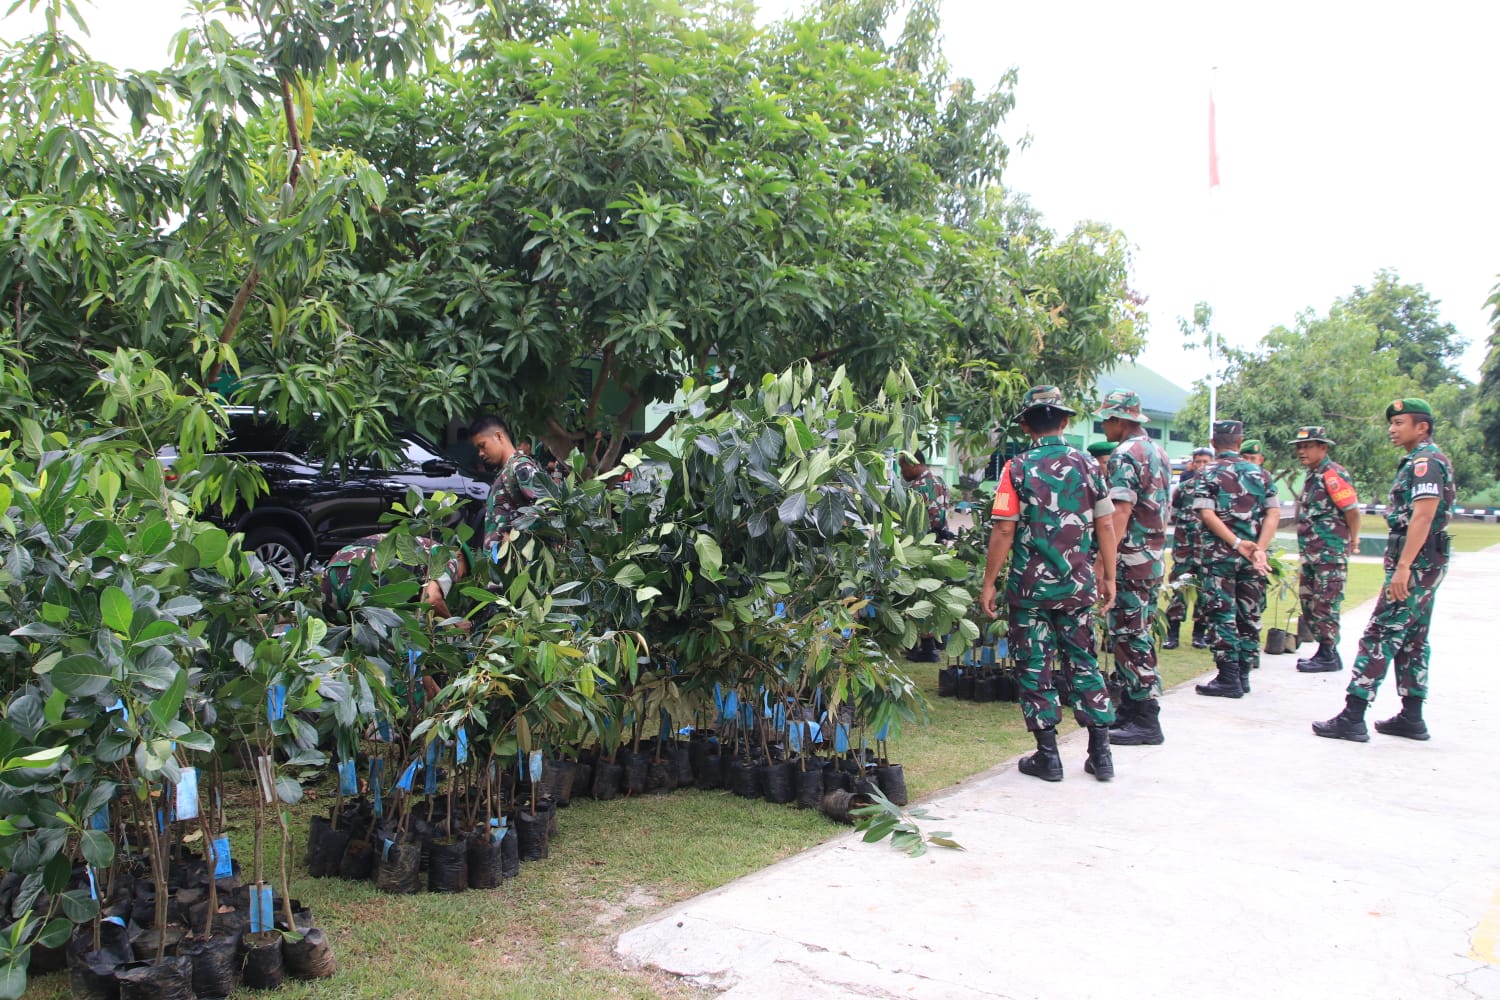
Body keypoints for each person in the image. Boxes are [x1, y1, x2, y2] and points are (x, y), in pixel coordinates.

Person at [979, 386, 1118, 783]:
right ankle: (1101, 754)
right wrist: (1108, 575)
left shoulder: (1016, 468)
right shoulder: (1090, 465)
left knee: (1034, 665)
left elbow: (1005, 528)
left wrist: (989, 582)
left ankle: (1048, 757)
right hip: (1077, 587)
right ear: (1065, 421)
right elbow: (1105, 522)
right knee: (1084, 662)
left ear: (1026, 426)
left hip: (1029, 589)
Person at [1313, 399, 1453, 743]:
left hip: (1417, 562)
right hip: (1426, 560)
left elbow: (1423, 515)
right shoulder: (1422, 460)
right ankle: (1412, 716)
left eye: (1400, 423)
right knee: (1413, 639)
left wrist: (1404, 566)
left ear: (1422, 427)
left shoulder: (1425, 463)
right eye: (1391, 423)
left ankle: (1353, 715)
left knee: (1380, 633)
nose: (1392, 429)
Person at [1093, 390, 1172, 746]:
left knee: (1131, 635)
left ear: (1122, 420)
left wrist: (1104, 562)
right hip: (1151, 557)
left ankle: (1145, 717)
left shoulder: (1126, 454)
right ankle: (1130, 707)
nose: (1103, 424)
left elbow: (1120, 512)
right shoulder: (1157, 451)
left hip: (1130, 558)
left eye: (1108, 419)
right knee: (1132, 632)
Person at [1192, 420, 1279, 698]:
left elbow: (1207, 514)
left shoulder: (1207, 474)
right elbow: (1273, 513)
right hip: (1252, 557)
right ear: (1240, 443)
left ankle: (1228, 676)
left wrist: (1237, 543)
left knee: (1221, 612)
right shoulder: (1262, 475)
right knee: (1249, 612)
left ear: (1214, 443)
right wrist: (1259, 549)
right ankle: (1243, 674)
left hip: (1221, 556)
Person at [1288, 426, 1361, 673]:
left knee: (1326, 603)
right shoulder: (1313, 476)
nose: (1301, 451)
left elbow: (1351, 511)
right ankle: (1323, 650)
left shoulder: (1332, 475)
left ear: (1323, 448)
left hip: (1329, 554)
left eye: (1307, 446)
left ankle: (1329, 654)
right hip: (1312, 553)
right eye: (1299, 447)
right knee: (1308, 601)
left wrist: (1354, 540)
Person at [322, 532, 469, 620]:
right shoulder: (447, 557)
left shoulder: (422, 546)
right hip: (367, 574)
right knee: (397, 652)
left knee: (344, 640)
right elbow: (432, 599)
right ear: (459, 556)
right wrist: (455, 623)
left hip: (334, 567)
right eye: (465, 573)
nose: (459, 578)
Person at [470, 414, 556, 560]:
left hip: (519, 567)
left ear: (498, 436)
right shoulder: (505, 472)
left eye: (482, 446)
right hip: (503, 568)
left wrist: (515, 534)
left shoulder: (520, 467)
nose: (481, 453)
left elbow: (549, 507)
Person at [900, 451, 955, 662]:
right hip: (940, 546)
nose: (903, 472)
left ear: (913, 464)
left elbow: (924, 520)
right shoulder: (940, 481)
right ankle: (937, 641)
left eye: (904, 467)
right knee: (935, 592)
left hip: (923, 547)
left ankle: (927, 647)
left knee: (921, 595)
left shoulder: (917, 487)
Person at [1164, 447, 1213, 649]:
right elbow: (1172, 516)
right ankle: (1172, 634)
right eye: (1198, 462)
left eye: (1205, 462)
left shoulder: (1216, 487)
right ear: (1192, 463)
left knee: (1203, 592)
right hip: (1184, 550)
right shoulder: (1183, 489)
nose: (1201, 466)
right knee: (1179, 591)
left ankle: (1199, 635)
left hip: (1207, 550)